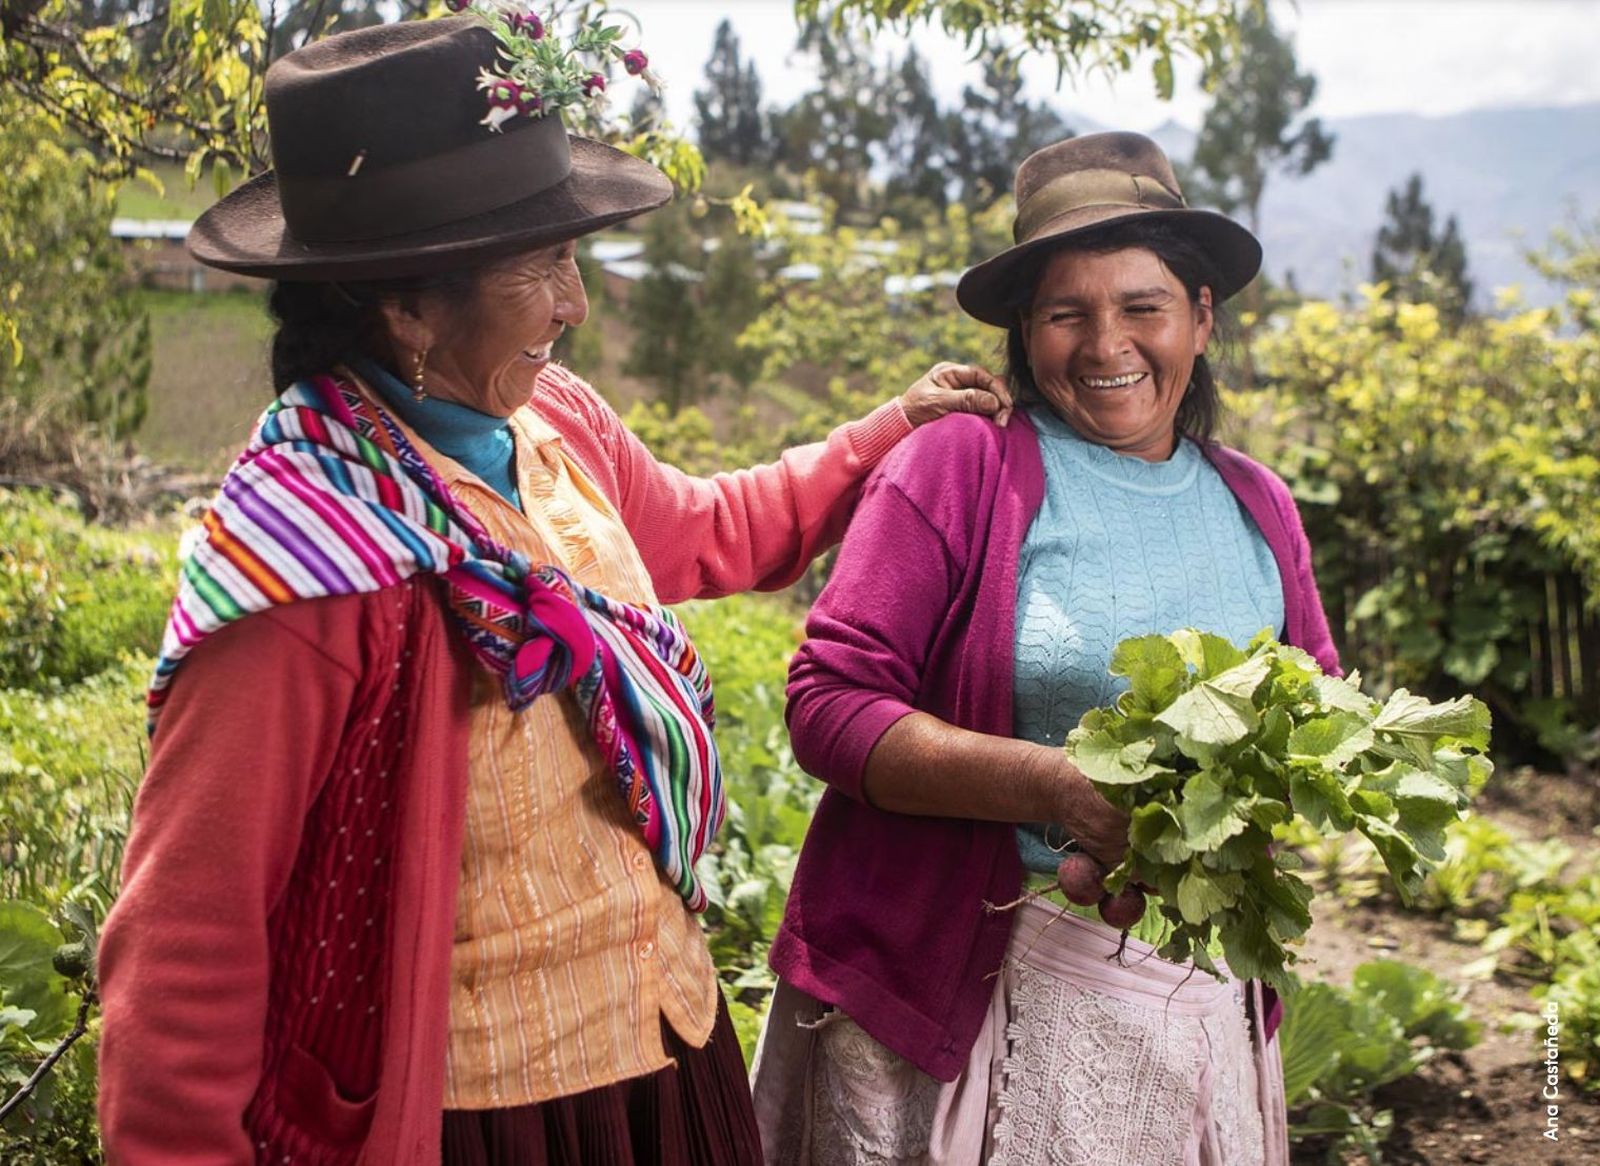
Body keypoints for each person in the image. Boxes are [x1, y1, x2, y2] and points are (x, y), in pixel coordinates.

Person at [95, 14, 1011, 1166]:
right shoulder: (309, 567)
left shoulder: (548, 422)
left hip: (666, 1064)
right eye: (542, 268)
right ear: (407, 305)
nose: (576, 304)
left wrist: (885, 434)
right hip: (485, 1113)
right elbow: (189, 940)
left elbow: (710, 530)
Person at [750, 132, 1341, 1166]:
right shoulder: (957, 468)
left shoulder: (1256, 502)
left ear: (1201, 318)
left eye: (1142, 306)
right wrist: (1059, 787)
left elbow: (1318, 703)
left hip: (1192, 988)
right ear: (1027, 330)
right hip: (971, 988)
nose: (1105, 342)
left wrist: (1271, 800)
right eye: (1067, 312)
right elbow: (830, 705)